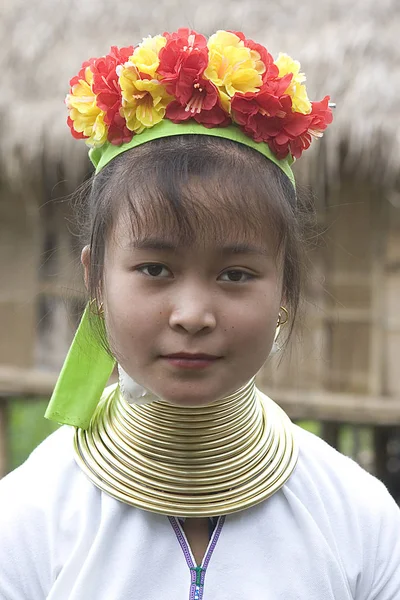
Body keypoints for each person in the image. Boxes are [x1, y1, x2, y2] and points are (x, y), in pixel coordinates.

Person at [0, 27, 399, 600]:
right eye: (155, 269)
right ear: (95, 280)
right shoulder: (27, 521)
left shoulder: (360, 519)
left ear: (285, 289)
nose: (192, 314)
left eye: (235, 275)